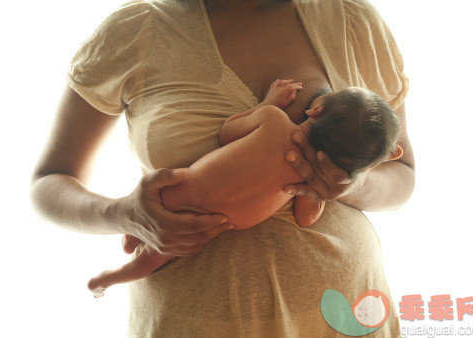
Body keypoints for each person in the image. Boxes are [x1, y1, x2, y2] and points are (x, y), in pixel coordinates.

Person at [29, 0, 414, 336]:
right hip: (195, 325)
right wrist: (124, 214)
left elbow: (403, 176)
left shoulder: (351, 18)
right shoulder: (133, 31)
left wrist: (344, 184)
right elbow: (48, 181)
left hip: (347, 315)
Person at [87, 84, 404, 298]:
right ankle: (108, 279)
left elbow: (228, 133)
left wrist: (267, 104)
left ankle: (131, 235)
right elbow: (306, 219)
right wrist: (319, 194)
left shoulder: (273, 120)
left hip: (181, 184)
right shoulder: (307, 184)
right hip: (205, 222)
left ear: (316, 109)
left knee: (151, 221)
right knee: (153, 258)